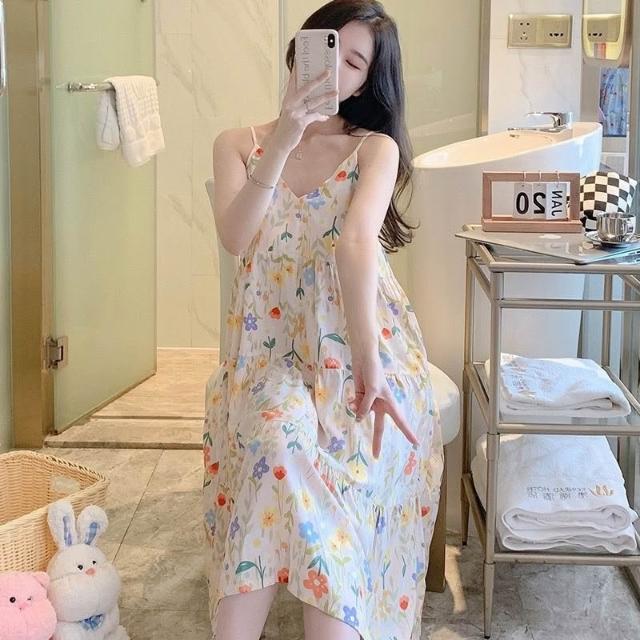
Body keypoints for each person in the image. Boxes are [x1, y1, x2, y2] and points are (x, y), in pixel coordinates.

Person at [202, 1, 443, 639]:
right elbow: (236, 238)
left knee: (306, 463)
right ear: (304, 45)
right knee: (280, 441)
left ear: (365, 83)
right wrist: (284, 137)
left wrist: (368, 364)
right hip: (269, 357)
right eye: (330, 47)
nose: (336, 68)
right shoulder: (237, 144)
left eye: (355, 62)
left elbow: (356, 242)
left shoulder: (374, 149)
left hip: (360, 341)